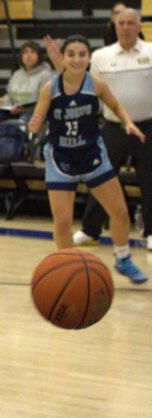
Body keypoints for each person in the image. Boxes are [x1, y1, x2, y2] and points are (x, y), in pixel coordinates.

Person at [28, 35, 147, 284]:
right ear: (63, 57)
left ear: (89, 58)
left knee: (120, 212)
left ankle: (123, 258)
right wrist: (35, 124)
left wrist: (127, 123)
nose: (77, 59)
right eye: (71, 54)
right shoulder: (50, 87)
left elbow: (116, 106)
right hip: (61, 160)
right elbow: (37, 121)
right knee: (62, 221)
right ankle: (68, 266)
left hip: (93, 156)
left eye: (82, 54)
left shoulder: (96, 84)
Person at [71, 8, 152, 251]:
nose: (126, 27)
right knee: (101, 178)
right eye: (121, 23)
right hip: (113, 127)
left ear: (139, 26)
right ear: (115, 27)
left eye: (130, 23)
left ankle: (151, 232)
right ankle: (90, 230)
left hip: (147, 126)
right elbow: (91, 92)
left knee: (150, 181)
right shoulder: (100, 57)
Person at [0, 40, 53, 125]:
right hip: (15, 109)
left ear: (39, 56)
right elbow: (10, 95)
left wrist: (25, 109)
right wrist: (3, 101)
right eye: (25, 52)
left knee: (23, 121)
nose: (29, 55)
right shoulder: (17, 74)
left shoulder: (45, 75)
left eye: (32, 52)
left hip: (34, 111)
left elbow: (45, 101)